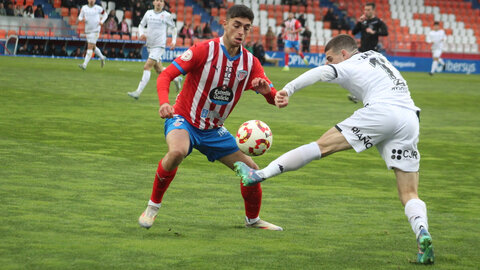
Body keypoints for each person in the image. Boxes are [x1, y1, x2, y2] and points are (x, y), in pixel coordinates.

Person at [233, 34, 434, 264]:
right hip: (409, 117)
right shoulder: (377, 57)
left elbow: (319, 72)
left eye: (330, 58)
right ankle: (422, 234)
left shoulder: (347, 64)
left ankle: (259, 174)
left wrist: (287, 90)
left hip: (382, 112)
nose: (328, 63)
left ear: (344, 54)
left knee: (321, 147)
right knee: (409, 193)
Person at [137, 4, 283, 231]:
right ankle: (152, 207)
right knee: (176, 152)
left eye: (246, 28)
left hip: (214, 130)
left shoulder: (250, 63)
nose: (241, 32)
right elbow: (166, 75)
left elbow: (274, 98)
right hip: (184, 120)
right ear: (224, 24)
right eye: (236, 25)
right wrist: (164, 102)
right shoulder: (203, 50)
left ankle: (253, 221)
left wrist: (267, 92)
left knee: (252, 173)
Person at [127, 0, 182, 100]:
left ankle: (137, 93)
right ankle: (176, 78)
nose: (159, 3)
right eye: (157, 0)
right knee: (159, 70)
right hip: (150, 46)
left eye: (161, 1)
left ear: (163, 4)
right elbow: (141, 25)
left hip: (159, 46)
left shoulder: (166, 15)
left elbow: (174, 28)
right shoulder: (148, 14)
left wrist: (173, 41)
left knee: (147, 66)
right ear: (153, 2)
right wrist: (141, 33)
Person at [350, 2, 388, 103]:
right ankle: (358, 95)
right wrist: (359, 21)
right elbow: (354, 32)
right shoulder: (363, 21)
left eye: (368, 10)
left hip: (373, 52)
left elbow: (385, 32)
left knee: (369, 75)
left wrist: (374, 32)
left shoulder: (378, 21)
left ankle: (363, 96)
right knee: (359, 74)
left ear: (373, 10)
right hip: (362, 51)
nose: (366, 12)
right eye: (365, 10)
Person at [77, 0, 107, 70]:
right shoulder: (84, 8)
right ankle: (102, 57)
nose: (91, 1)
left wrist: (102, 21)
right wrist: (82, 19)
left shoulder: (98, 8)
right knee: (93, 47)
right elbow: (79, 17)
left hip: (96, 30)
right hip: (88, 30)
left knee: (90, 46)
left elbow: (105, 14)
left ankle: (84, 65)